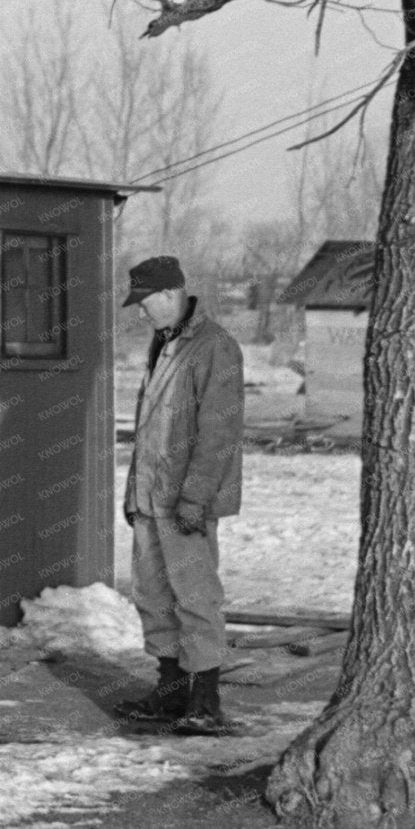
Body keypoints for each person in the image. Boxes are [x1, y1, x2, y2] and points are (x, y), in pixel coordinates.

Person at [114, 255, 244, 735]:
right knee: (153, 596)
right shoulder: (164, 342)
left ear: (171, 294)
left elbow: (219, 433)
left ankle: (206, 701)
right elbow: (150, 428)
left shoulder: (214, 346)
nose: (140, 311)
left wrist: (194, 500)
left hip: (185, 501)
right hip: (150, 497)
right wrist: (133, 494)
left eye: (145, 301)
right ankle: (170, 693)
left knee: (195, 598)